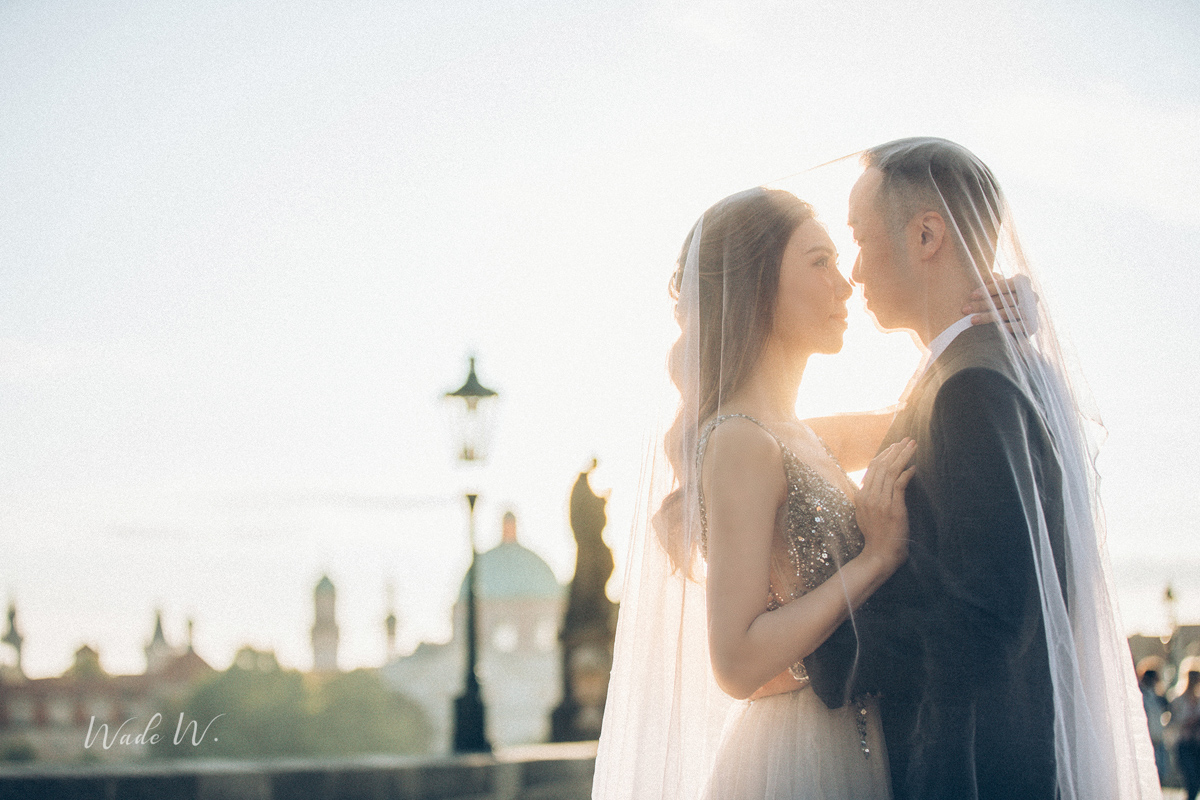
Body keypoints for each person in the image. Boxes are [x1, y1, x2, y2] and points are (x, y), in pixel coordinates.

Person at [592, 185, 1029, 800]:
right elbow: (737, 662)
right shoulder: (740, 443)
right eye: (819, 262)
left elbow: (935, 406)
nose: (846, 284)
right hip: (801, 762)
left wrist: (1008, 320)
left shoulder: (792, 433)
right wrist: (877, 558)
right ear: (758, 286)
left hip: (860, 743)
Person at [802, 137, 1161, 799]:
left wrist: (819, 655)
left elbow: (987, 620)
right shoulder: (971, 372)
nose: (851, 271)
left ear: (927, 235)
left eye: (858, 236)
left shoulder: (972, 388)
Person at [1139, 657, 1171, 784]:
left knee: (1160, 775)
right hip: (1148, 740)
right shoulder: (1142, 695)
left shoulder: (1156, 696)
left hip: (1158, 741)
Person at [1172, 660, 1200, 800]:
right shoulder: (1179, 700)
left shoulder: (1198, 700)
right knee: (1191, 780)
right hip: (1184, 743)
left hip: (1197, 744)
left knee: (1196, 781)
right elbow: (1174, 723)